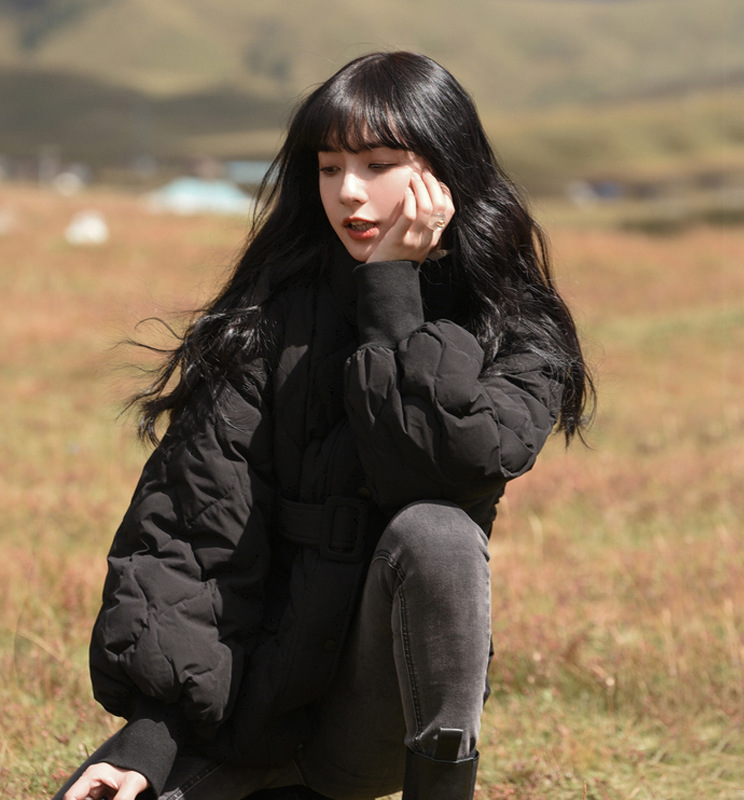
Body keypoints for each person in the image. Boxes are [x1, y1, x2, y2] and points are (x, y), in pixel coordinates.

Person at [54, 51, 593, 800]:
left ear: (446, 172)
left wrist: (392, 293)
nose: (348, 191)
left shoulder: (514, 324)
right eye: (329, 166)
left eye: (378, 164)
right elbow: (193, 531)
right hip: (251, 710)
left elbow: (441, 469)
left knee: (436, 533)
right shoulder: (271, 312)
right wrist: (147, 743)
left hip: (374, 727)